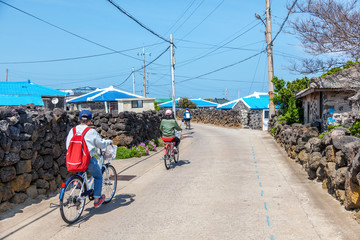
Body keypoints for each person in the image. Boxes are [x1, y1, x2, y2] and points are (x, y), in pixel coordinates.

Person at [66, 110, 113, 208]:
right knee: (98, 176)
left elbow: (68, 145)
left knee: (80, 168)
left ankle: (77, 181)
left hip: (74, 160)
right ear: (90, 120)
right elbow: (100, 144)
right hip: (87, 160)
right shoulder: (91, 131)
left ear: (79, 119)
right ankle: (97, 200)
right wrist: (108, 142)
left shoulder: (73, 130)